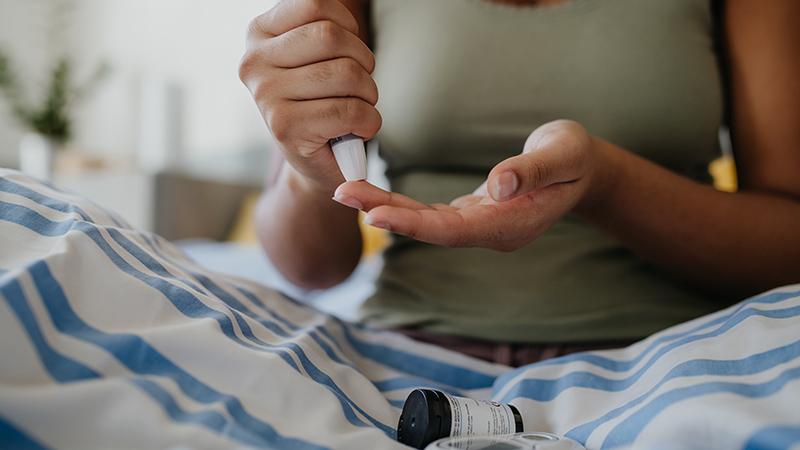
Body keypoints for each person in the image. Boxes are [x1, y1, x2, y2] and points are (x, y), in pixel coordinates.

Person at [239, 0, 800, 367]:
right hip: (409, 354)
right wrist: (316, 177)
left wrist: (604, 184)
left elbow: (788, 245)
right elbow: (308, 267)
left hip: (671, 359)